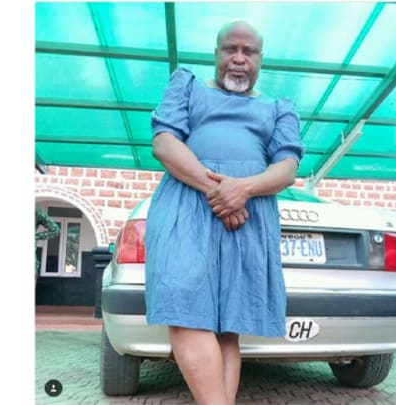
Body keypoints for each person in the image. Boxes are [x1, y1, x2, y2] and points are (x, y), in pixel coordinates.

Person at [145, 19, 304, 405]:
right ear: (216, 53)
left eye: (248, 52)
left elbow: (286, 168)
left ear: (260, 59)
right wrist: (220, 192)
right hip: (187, 209)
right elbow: (164, 143)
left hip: (248, 215)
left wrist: (243, 190)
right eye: (230, 49)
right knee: (184, 308)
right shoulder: (187, 86)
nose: (239, 58)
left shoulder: (279, 108)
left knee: (228, 325)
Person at [35, 205, 60, 282]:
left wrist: (36, 236)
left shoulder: (36, 211)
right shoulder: (37, 211)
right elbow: (55, 230)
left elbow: (55, 230)